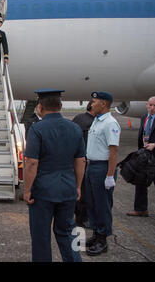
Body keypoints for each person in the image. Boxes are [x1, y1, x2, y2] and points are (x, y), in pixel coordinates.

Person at [24, 89, 86, 262]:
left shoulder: (37, 129)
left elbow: (32, 163)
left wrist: (27, 190)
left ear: (40, 107)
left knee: (41, 236)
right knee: (68, 232)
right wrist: (78, 186)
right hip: (67, 188)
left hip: (43, 191)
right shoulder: (75, 128)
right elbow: (81, 160)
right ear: (60, 106)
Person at [84, 91, 121, 256]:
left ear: (104, 104)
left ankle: (103, 240)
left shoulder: (110, 123)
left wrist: (110, 176)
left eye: (94, 101)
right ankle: (96, 234)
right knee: (91, 203)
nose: (91, 104)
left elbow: (113, 152)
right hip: (91, 167)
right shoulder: (97, 121)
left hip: (102, 168)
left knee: (102, 205)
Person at [127, 96, 155, 217]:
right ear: (146, 105)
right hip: (144, 154)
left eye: (154, 106)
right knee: (140, 182)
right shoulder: (144, 117)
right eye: (150, 105)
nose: (152, 108)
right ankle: (141, 209)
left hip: (154, 154)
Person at [72, 101, 95, 227]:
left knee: (78, 189)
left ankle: (78, 216)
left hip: (74, 159)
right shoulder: (92, 123)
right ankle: (83, 219)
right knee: (84, 191)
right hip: (84, 160)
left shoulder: (78, 118)